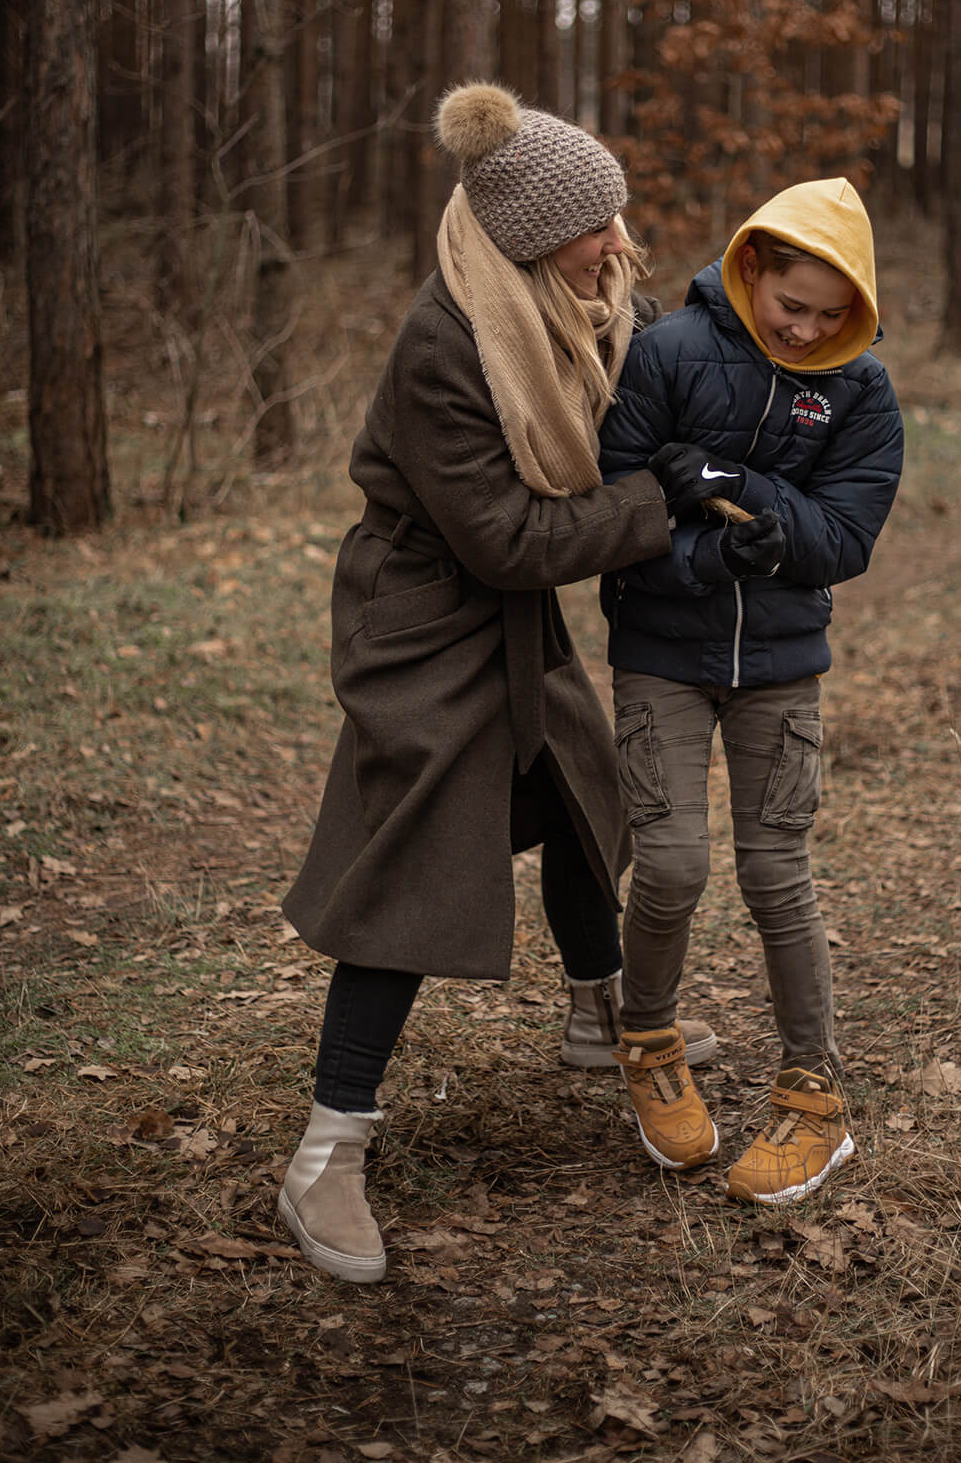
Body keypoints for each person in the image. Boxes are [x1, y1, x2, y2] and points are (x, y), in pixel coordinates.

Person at [279, 83, 728, 1282]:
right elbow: (506, 539)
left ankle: (598, 1011)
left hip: (504, 605)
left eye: (617, 215)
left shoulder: (569, 303)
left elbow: (650, 370)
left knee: (579, 788)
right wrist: (655, 502)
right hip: (423, 611)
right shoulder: (446, 343)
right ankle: (326, 1153)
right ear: (530, 238)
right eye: (596, 226)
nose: (619, 243)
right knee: (415, 851)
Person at [597, 175, 904, 1205]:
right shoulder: (665, 354)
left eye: (831, 314)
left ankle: (814, 1096)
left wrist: (737, 489)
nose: (807, 329)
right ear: (751, 268)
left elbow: (843, 537)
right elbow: (615, 508)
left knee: (778, 874)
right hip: (660, 654)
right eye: (791, 304)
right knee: (671, 864)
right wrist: (706, 555)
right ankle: (647, 1042)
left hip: (780, 666)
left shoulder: (861, 391)